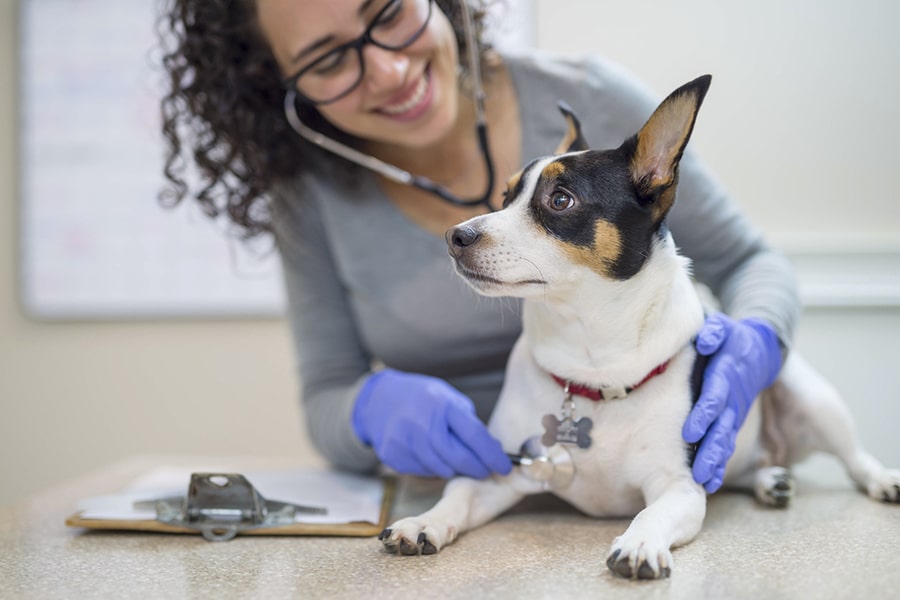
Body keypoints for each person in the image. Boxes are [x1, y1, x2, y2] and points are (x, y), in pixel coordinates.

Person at [158, 0, 798, 493]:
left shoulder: (595, 99)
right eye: (328, 60)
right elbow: (327, 390)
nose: (387, 69)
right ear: (281, 89)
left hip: (642, 471)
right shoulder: (309, 194)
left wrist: (759, 341)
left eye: (389, 12)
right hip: (486, 493)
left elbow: (748, 261)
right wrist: (367, 413)